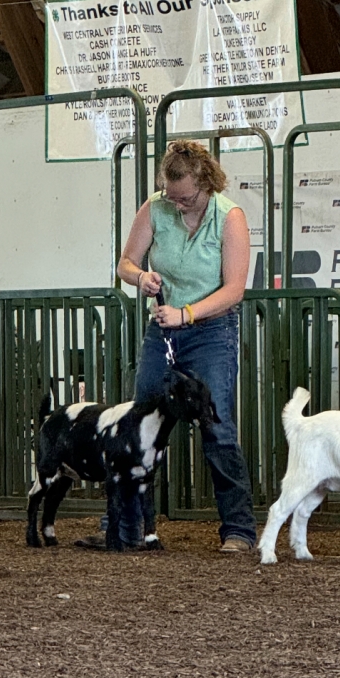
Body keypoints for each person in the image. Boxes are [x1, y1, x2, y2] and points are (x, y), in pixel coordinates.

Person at [76, 139, 257, 552]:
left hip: (212, 331)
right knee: (139, 423)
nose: (177, 205)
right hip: (164, 330)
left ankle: (239, 531)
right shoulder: (155, 206)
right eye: (171, 197)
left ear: (206, 183)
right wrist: (140, 277)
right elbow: (125, 263)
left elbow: (234, 290)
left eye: (186, 197)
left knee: (217, 424)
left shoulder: (230, 218)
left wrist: (187, 314)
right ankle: (126, 528)